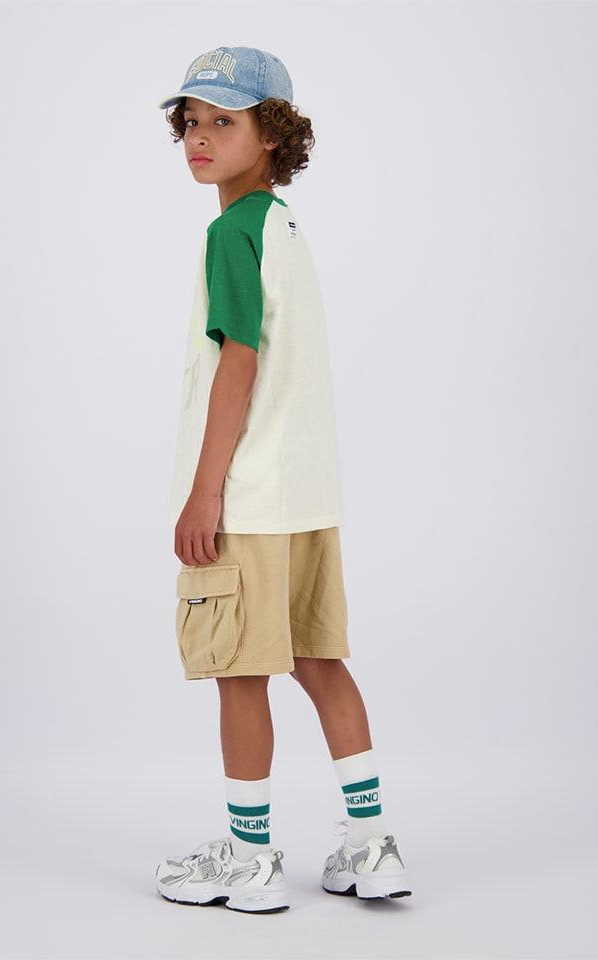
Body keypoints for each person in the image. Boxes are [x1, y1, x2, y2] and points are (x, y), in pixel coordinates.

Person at [153, 46, 412, 914]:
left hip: (251, 499)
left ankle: (249, 857)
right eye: (191, 122)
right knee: (320, 662)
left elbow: (240, 362)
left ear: (273, 133)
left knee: (240, 673)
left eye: (222, 122)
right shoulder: (285, 227)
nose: (199, 137)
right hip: (307, 498)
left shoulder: (233, 231)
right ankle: (372, 845)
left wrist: (205, 492)